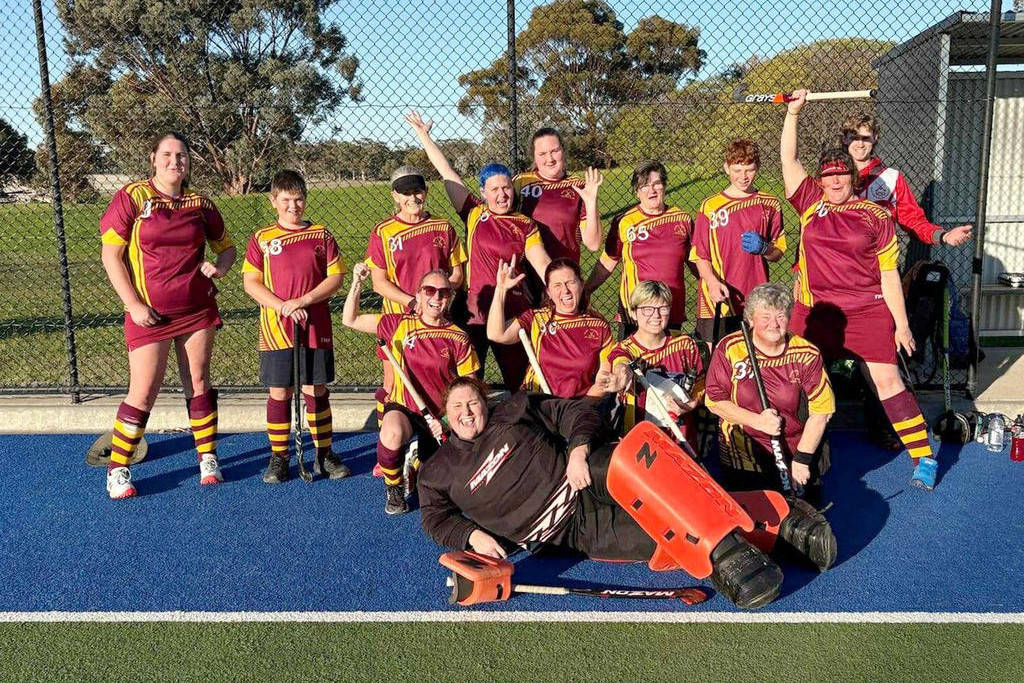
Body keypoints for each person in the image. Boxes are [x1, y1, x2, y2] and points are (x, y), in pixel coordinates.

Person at [418, 376, 834, 609]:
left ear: (485, 404)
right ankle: (776, 519)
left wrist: (579, 450)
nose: (467, 412)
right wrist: (472, 536)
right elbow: (435, 518)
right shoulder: (438, 472)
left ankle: (733, 555)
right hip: (569, 532)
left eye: (472, 402)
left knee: (650, 479)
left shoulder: (512, 411)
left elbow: (575, 412)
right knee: (661, 539)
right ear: (445, 414)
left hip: (588, 474)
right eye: (458, 407)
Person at [781, 89, 938, 491]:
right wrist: (793, 113)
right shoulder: (810, 203)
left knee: (888, 384)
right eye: (828, 176)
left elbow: (888, 275)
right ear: (821, 179)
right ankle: (794, 457)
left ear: (853, 176)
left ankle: (924, 458)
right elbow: (788, 159)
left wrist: (901, 325)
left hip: (866, 312)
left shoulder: (874, 216)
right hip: (815, 313)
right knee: (797, 382)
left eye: (841, 175)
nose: (834, 181)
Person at [99, 131, 236, 500]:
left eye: (181, 156)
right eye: (168, 155)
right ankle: (117, 468)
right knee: (143, 391)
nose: (175, 162)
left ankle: (207, 458)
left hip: (197, 309)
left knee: (199, 382)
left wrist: (219, 269)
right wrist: (133, 304)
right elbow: (111, 256)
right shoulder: (132, 197)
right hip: (149, 314)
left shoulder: (201, 204)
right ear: (153, 158)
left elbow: (227, 249)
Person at [406, 110, 550, 389]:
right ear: (483, 192)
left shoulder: (525, 224)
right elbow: (447, 173)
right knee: (469, 382)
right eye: (494, 189)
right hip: (474, 311)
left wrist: (559, 289)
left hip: (513, 310)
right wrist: (424, 136)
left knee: (521, 383)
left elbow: (541, 262)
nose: (502, 194)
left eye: (506, 188)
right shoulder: (474, 213)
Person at [241, 169, 351, 485]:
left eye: (299, 199)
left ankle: (323, 454)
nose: (293, 206)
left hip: (315, 325)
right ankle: (279, 456)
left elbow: (335, 278)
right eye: (286, 200)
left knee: (315, 389)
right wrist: (282, 306)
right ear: (274, 201)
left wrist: (304, 301)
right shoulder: (262, 238)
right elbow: (251, 282)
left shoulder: (321, 235)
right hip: (277, 328)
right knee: (280, 391)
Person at [343, 263, 480, 514]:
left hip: (439, 417)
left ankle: (417, 459)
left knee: (443, 488)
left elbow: (470, 388)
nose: (436, 297)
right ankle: (393, 486)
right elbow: (350, 319)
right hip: (404, 407)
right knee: (392, 434)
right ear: (418, 295)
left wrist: (449, 420)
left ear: (450, 297)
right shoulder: (398, 324)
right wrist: (357, 283)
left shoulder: (459, 337)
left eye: (444, 292)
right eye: (429, 290)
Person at [704, 283, 834, 505]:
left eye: (780, 316)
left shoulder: (806, 353)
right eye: (765, 316)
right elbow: (714, 401)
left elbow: (822, 412)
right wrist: (757, 421)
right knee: (753, 516)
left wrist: (802, 459)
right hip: (743, 450)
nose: (774, 324)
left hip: (795, 447)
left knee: (805, 509)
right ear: (751, 320)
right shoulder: (730, 348)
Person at [365, 165, 468, 425]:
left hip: (436, 320)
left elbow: (457, 276)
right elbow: (379, 282)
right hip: (398, 319)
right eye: (405, 193)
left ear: (426, 192)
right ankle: (389, 449)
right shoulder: (383, 232)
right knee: (392, 383)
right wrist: (413, 302)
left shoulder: (443, 228)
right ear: (395, 197)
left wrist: (435, 300)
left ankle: (436, 441)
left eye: (417, 191)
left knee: (441, 383)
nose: (413, 198)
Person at [586, 160, 695, 339]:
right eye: (644, 186)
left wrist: (714, 281)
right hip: (634, 311)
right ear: (637, 191)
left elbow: (696, 261)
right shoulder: (624, 221)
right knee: (631, 364)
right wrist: (587, 289)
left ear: (664, 186)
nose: (651, 190)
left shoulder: (682, 219)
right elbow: (609, 259)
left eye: (656, 184)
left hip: (670, 309)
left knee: (670, 362)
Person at [691, 139, 786, 343]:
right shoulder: (710, 206)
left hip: (756, 295)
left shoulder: (770, 204)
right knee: (717, 355)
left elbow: (778, 252)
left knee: (755, 353)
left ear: (757, 168)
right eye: (736, 170)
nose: (743, 177)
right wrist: (711, 282)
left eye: (749, 170)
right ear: (726, 168)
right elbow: (700, 254)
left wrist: (765, 248)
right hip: (719, 295)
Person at [486, 257, 612, 398]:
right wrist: (501, 290)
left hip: (579, 406)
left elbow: (604, 378)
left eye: (570, 282)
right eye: (557, 285)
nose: (565, 290)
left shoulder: (599, 325)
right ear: (549, 293)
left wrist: (580, 408)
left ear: (581, 285)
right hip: (537, 401)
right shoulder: (537, 318)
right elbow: (496, 334)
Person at [597, 280, 705, 444]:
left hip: (680, 438)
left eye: (662, 308)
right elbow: (621, 362)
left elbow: (701, 382)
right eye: (647, 309)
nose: (656, 315)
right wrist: (622, 374)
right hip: (640, 441)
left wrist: (690, 404)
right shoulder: (625, 349)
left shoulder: (685, 344)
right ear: (633, 313)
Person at [842, 112, 972, 247]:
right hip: (836, 259)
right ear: (845, 139)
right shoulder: (830, 178)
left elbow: (912, 221)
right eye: (854, 137)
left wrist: (944, 236)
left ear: (875, 138)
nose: (860, 143)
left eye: (865, 138)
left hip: (878, 260)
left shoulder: (891, 178)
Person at [513, 127, 604, 264]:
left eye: (555, 151)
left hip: (564, 273)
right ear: (534, 156)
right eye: (542, 154)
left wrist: (591, 203)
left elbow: (594, 244)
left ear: (563, 150)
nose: (550, 159)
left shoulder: (578, 187)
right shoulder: (520, 183)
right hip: (526, 276)